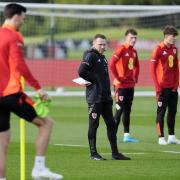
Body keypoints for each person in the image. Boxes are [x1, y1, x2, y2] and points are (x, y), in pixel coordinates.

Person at [0, 3, 63, 180]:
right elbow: (20, 65)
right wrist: (38, 88)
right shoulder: (14, 36)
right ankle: (39, 169)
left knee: (2, 142)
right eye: (23, 19)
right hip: (11, 94)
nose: (23, 22)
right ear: (16, 17)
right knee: (46, 124)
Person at [78, 34, 130, 161]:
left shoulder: (103, 58)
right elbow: (81, 71)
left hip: (106, 97)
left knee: (111, 125)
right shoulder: (90, 55)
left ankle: (115, 153)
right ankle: (93, 153)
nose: (102, 46)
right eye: (100, 44)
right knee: (94, 125)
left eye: (104, 44)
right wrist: (94, 79)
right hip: (95, 98)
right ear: (94, 43)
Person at [150, 25, 180, 145]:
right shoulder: (158, 49)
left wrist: (176, 83)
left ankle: (171, 136)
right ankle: (161, 137)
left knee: (173, 111)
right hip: (162, 87)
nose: (175, 39)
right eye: (173, 37)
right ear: (167, 36)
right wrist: (157, 87)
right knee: (161, 112)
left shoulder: (174, 49)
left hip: (172, 87)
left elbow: (176, 68)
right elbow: (152, 70)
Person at [109, 28, 140, 143]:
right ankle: (113, 135)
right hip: (120, 86)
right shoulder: (121, 49)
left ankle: (126, 135)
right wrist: (118, 77)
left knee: (127, 110)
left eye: (135, 38)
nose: (134, 40)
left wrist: (135, 77)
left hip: (130, 85)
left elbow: (137, 65)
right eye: (131, 37)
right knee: (119, 110)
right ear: (126, 38)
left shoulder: (134, 51)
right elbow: (111, 64)